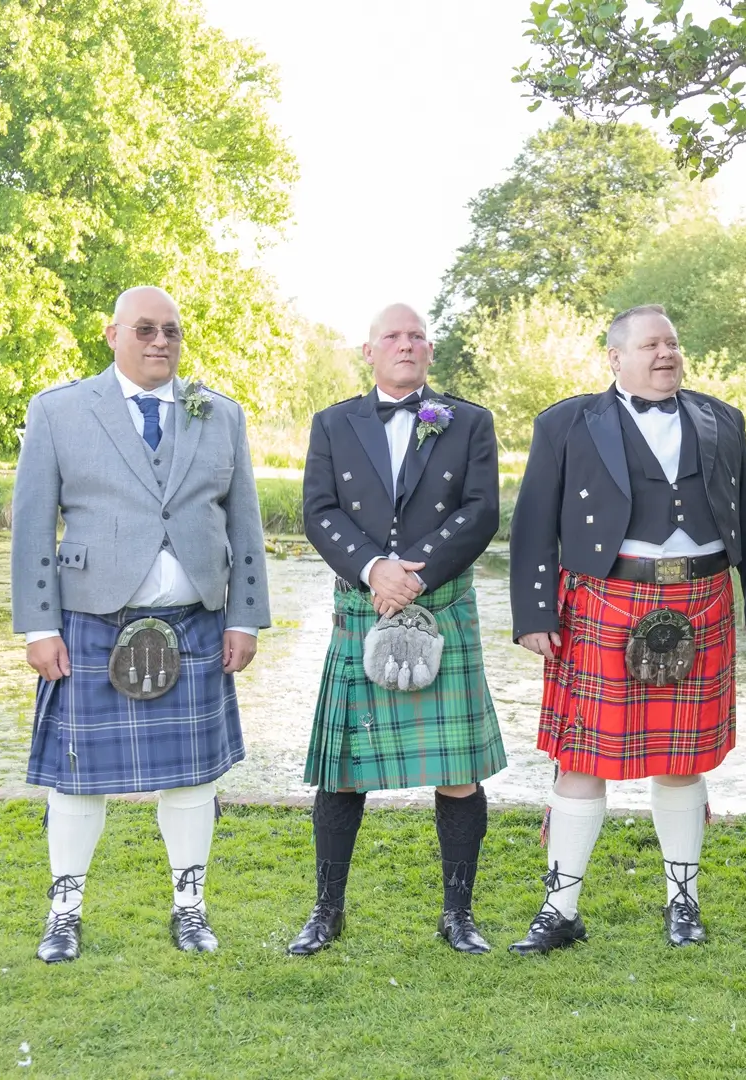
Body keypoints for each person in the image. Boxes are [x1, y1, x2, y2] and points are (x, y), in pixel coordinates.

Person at [507, 304, 746, 954]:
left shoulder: (721, 418)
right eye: (651, 346)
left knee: (683, 761)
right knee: (580, 759)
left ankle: (682, 905)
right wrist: (535, 613)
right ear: (616, 357)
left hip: (702, 596)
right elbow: (532, 523)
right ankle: (559, 910)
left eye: (673, 345)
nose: (666, 355)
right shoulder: (566, 422)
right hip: (604, 598)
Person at [12, 286, 268, 962]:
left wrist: (245, 616)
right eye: (146, 329)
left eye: (172, 332)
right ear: (113, 333)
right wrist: (40, 625)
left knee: (192, 780)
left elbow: (245, 525)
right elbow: (33, 526)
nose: (160, 342)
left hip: (196, 623)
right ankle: (64, 911)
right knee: (76, 778)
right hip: (93, 620)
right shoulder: (59, 410)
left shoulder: (220, 414)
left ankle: (190, 906)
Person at [285, 303, 505, 956]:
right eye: (392, 336)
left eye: (416, 336)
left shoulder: (469, 421)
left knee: (458, 770)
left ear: (429, 352)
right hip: (364, 601)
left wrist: (416, 574)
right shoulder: (333, 423)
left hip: (440, 604)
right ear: (368, 351)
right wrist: (373, 569)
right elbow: (318, 510)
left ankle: (458, 915)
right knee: (343, 771)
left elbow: (481, 510)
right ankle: (327, 911)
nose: (405, 344)